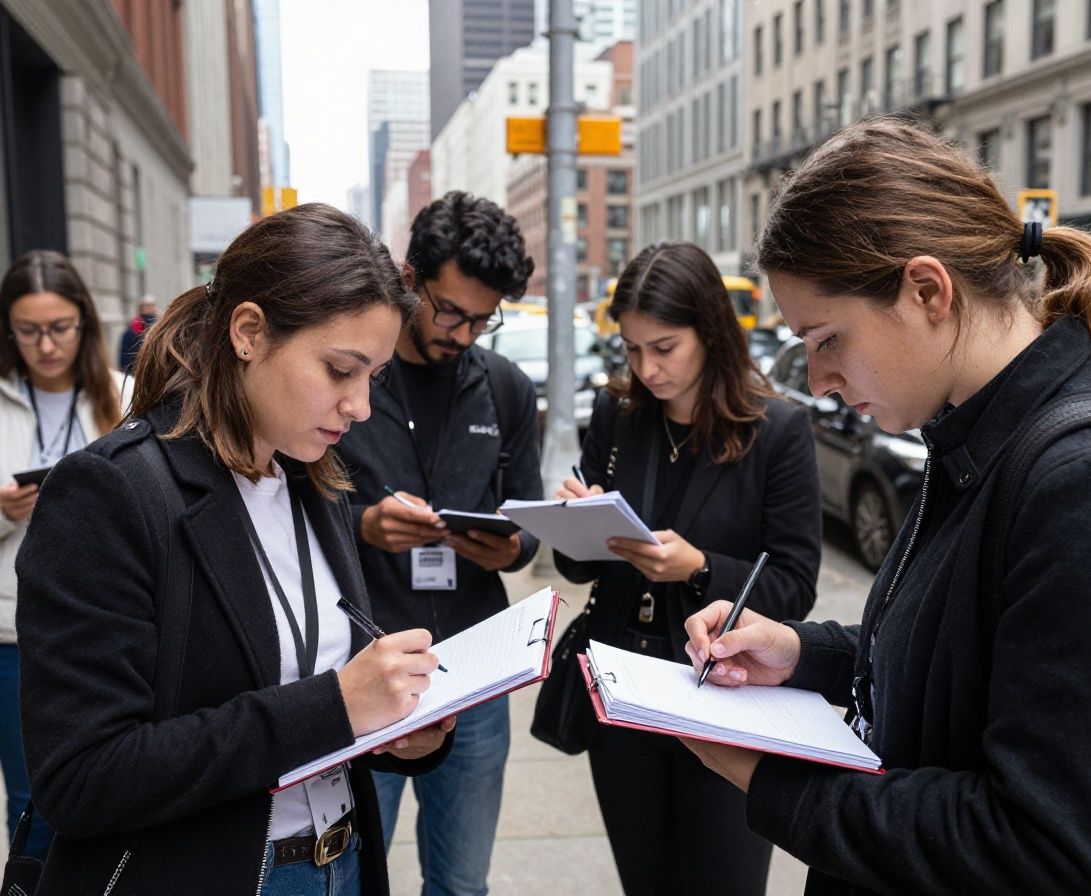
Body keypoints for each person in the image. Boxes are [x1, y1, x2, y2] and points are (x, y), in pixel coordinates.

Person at [681, 118, 1091, 894]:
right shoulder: (978, 436)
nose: (817, 381)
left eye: (826, 340)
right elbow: (964, 661)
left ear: (926, 290)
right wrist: (802, 653)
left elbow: (1048, 848)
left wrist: (775, 784)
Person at [16, 204, 456, 895]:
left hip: (342, 862)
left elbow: (318, 700)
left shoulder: (318, 483)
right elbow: (83, 777)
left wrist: (398, 727)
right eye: (341, 370)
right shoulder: (112, 492)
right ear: (249, 332)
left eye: (373, 376)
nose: (360, 405)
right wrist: (337, 706)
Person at [552, 240, 823, 896]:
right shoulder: (617, 416)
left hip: (723, 692)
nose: (646, 367)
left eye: (663, 347)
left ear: (709, 331)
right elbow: (573, 565)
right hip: (621, 689)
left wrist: (699, 568)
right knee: (644, 882)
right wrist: (578, 524)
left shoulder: (776, 429)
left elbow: (793, 583)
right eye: (632, 348)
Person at [336, 190, 542, 895]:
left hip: (474, 673)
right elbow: (293, 514)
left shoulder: (507, 389)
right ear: (409, 275)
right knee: (356, 876)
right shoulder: (352, 375)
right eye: (448, 310)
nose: (461, 333)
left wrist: (507, 550)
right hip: (364, 667)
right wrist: (364, 524)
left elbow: (525, 527)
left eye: (482, 320)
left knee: (460, 884)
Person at [0, 250, 130, 861]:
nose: (46, 345)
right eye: (28, 331)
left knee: (114, 796)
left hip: (115, 630)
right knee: (34, 803)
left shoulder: (127, 398)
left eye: (59, 328)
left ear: (84, 323)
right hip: (14, 639)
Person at [118, 295, 158, 372]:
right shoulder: (133, 327)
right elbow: (125, 352)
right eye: (143, 305)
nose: (145, 308)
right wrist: (124, 369)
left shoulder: (160, 324)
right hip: (136, 368)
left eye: (148, 305)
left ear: (154, 307)